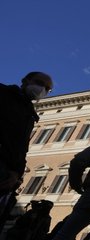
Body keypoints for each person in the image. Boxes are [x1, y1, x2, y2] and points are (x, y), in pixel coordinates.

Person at [0, 72, 53, 231]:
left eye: (47, 89)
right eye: (39, 83)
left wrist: (17, 173)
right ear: (25, 81)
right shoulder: (3, 94)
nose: (42, 89)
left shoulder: (31, 115)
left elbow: (22, 147)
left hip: (6, 171)